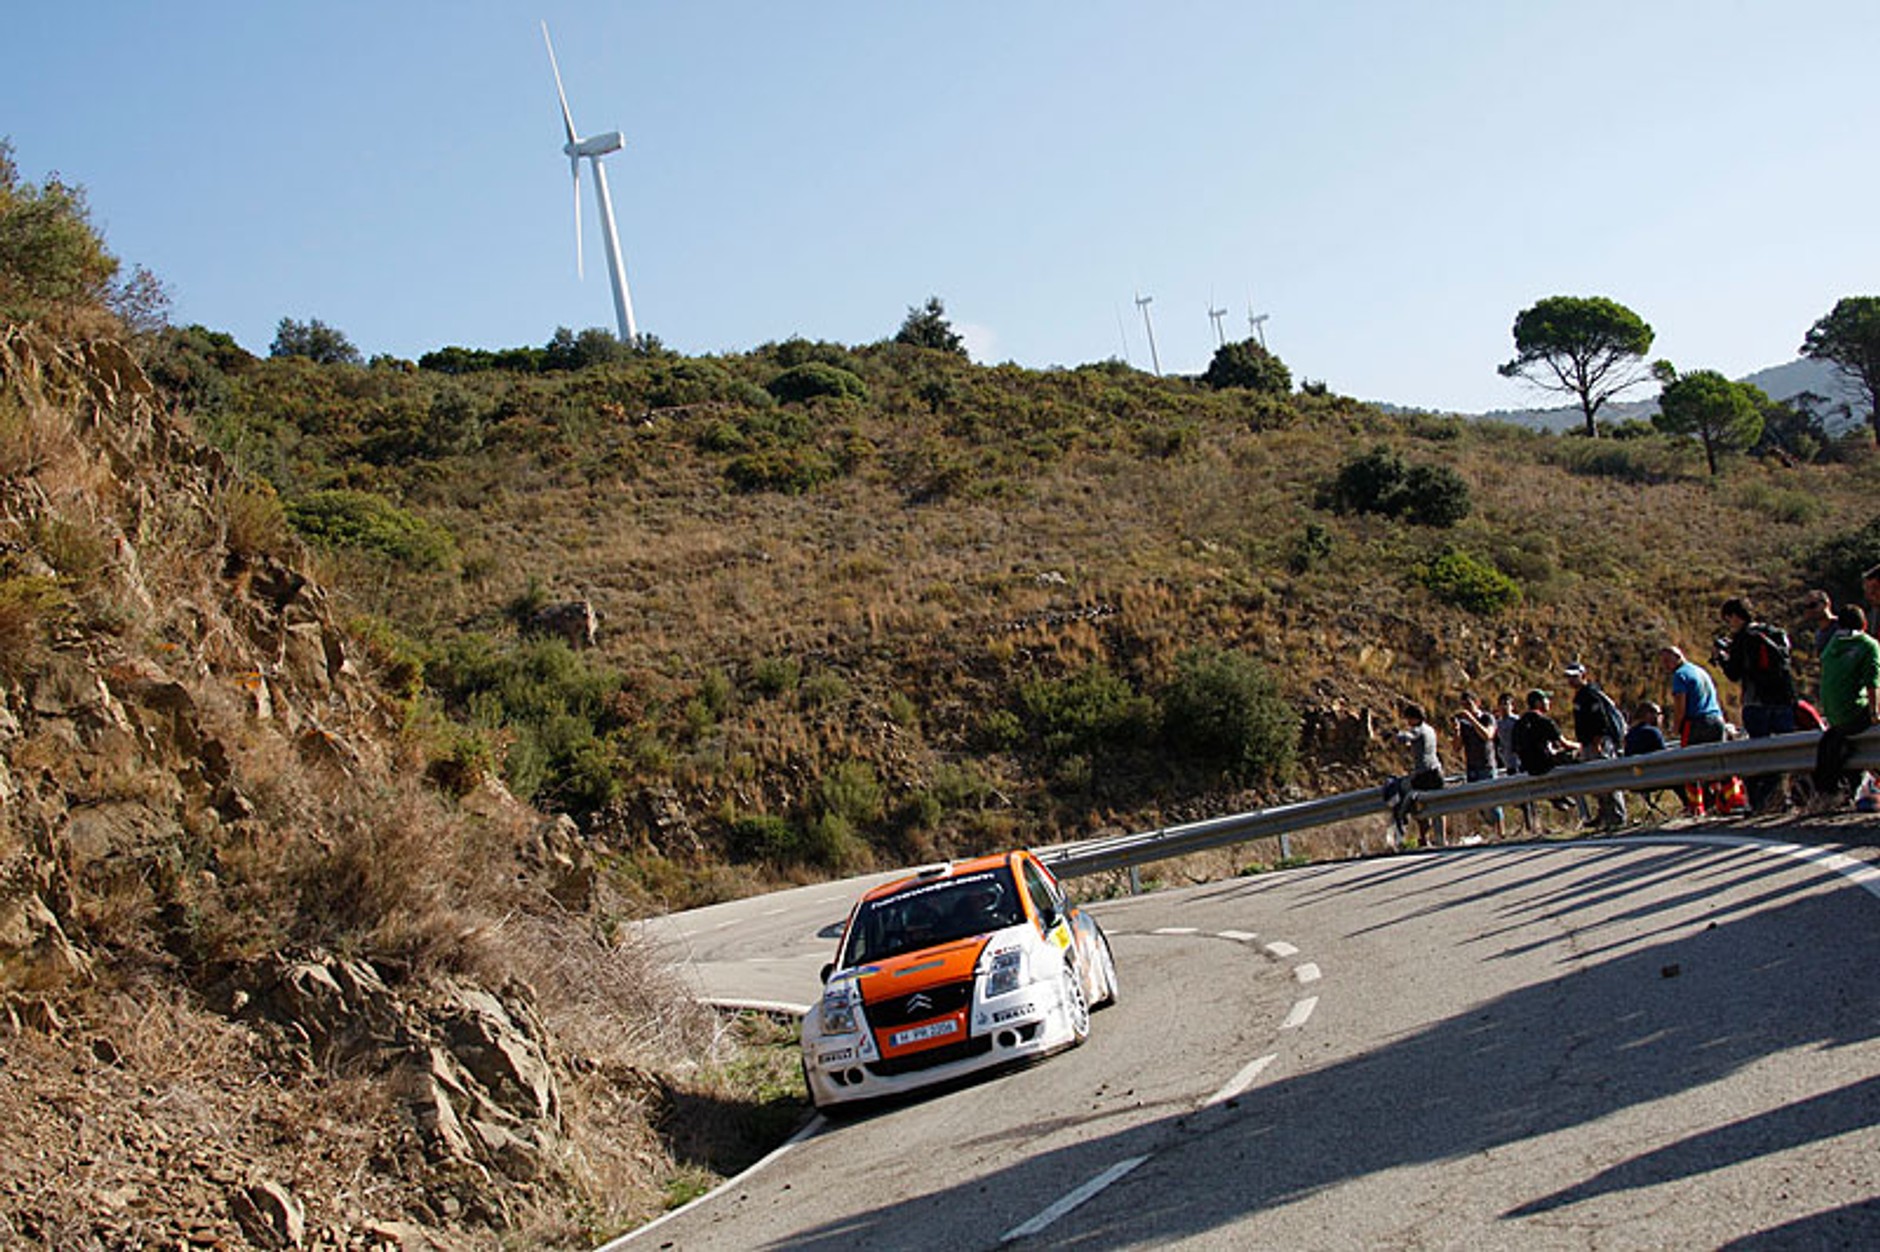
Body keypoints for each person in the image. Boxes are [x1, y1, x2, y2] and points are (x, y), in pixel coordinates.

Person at [1715, 597, 1798, 811]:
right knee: (1789, 753)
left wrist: (1722, 658)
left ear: (1734, 616)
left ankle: (1763, 802)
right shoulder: (1774, 633)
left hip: (1756, 702)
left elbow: (1734, 674)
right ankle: (1789, 797)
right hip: (1783, 700)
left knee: (1759, 754)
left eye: (1728, 619)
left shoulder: (1743, 638)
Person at [1814, 605, 1880, 803]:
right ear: (1865, 624)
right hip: (1854, 716)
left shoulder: (1832, 645)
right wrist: (1875, 713)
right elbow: (1873, 683)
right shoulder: (1867, 645)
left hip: (1834, 717)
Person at [1659, 645, 1727, 816]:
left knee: (1690, 766)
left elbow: (1680, 705)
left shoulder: (1680, 675)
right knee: (1718, 764)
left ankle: (1696, 807)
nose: (1665, 665)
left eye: (1667, 661)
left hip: (1696, 723)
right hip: (1717, 720)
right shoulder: (1700, 671)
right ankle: (1726, 802)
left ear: (1678, 657)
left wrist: (1676, 727)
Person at [1564, 663, 1627, 829]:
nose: (1571, 680)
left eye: (1574, 676)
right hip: (1588, 744)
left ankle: (1617, 816)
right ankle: (1605, 816)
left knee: (1607, 780)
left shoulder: (1591, 695)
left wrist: (1597, 743)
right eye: (1569, 677)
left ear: (1583, 676)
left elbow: (1601, 721)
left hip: (1599, 743)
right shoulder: (1579, 696)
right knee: (1597, 782)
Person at [1393, 703, 1448, 847]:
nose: (1407, 722)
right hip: (1436, 771)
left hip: (1425, 774)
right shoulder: (1430, 730)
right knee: (1440, 807)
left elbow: (1409, 736)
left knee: (1417, 804)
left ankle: (1423, 836)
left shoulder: (1418, 730)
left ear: (1414, 718)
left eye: (1408, 719)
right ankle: (1441, 839)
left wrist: (1396, 735)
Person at [1453, 691, 1504, 841]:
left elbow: (1488, 735)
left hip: (1487, 765)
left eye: (1469, 705)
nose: (1466, 709)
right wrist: (1457, 731)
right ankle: (1485, 832)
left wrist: (1472, 719)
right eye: (1463, 706)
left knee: (1493, 801)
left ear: (1477, 703)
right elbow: (1457, 747)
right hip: (1472, 766)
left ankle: (1501, 832)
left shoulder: (1487, 718)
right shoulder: (1464, 724)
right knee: (1477, 803)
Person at [1494, 692, 1537, 834]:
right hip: (1508, 762)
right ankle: (1527, 823)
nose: (1504, 707)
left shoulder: (1516, 721)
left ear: (1512, 706)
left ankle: (1531, 823)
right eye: (1501, 704)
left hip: (1519, 761)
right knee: (1517, 795)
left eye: (1507, 704)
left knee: (1527, 794)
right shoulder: (1498, 723)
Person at [1624, 701, 1669, 816]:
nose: (1661, 718)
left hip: (1636, 780)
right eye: (1658, 714)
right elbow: (1666, 758)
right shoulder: (1653, 732)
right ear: (1648, 715)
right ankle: (1690, 807)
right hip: (1657, 779)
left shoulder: (1629, 735)